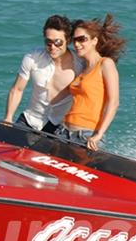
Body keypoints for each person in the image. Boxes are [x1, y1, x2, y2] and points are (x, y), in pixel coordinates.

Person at [53, 14, 127, 151]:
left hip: (86, 136)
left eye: (82, 39)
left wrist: (99, 134)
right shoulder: (82, 68)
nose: (76, 44)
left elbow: (114, 102)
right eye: (74, 40)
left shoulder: (105, 64)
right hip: (64, 132)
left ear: (94, 41)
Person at [4, 15, 84, 134]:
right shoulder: (33, 57)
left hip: (59, 127)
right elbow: (17, 89)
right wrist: (8, 118)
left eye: (58, 42)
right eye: (48, 42)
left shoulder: (80, 64)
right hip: (30, 120)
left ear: (68, 40)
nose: (52, 47)